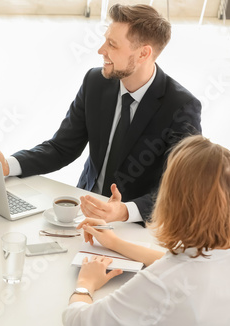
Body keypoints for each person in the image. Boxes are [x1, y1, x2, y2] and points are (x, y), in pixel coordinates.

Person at [0, 4, 201, 224]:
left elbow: (181, 188)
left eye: (112, 44)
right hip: (84, 209)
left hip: (136, 224)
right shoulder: (96, 82)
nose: (101, 50)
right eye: (105, 40)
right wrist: (8, 165)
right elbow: (62, 148)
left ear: (143, 53)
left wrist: (125, 211)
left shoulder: (182, 107)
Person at [63, 135, 230, 325]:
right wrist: (115, 243)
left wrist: (85, 284)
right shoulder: (213, 256)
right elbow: (178, 262)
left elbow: (78, 320)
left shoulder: (163, 282)